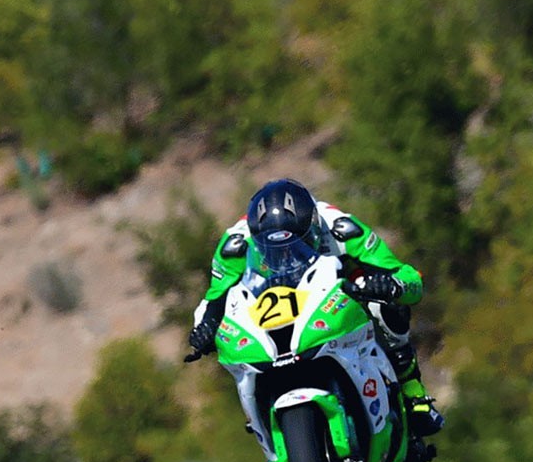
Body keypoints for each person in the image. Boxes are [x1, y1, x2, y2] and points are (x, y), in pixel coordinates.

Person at [186, 178, 444, 437]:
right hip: (275, 306)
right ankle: (261, 416)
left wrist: (392, 286)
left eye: (299, 242)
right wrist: (204, 329)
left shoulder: (343, 228)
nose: (287, 255)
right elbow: (215, 298)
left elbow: (406, 275)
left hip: (338, 296)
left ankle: (413, 394)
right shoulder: (234, 246)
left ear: (314, 224)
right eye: (274, 249)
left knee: (386, 305)